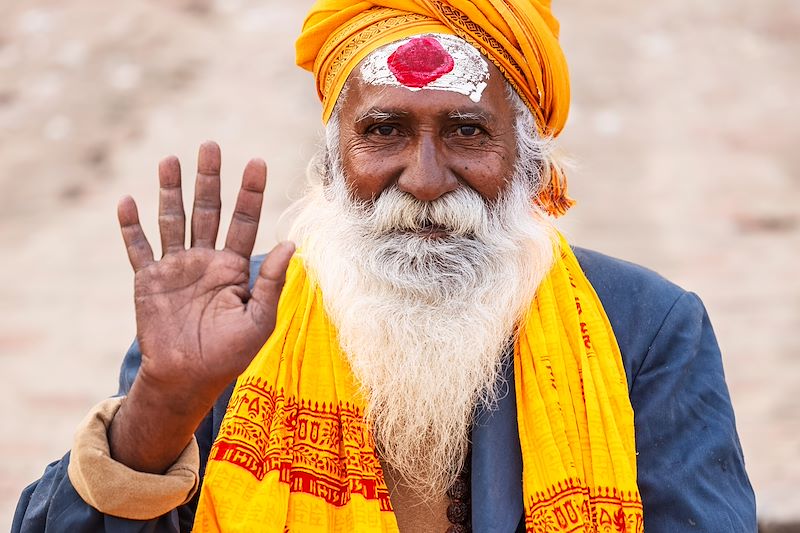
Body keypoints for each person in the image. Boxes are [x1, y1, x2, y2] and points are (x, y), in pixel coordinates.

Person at [13, 1, 756, 532]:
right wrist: (159, 408)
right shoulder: (224, 327)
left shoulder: (647, 330)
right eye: (384, 130)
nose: (426, 179)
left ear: (529, 167)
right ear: (334, 163)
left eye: (467, 131)